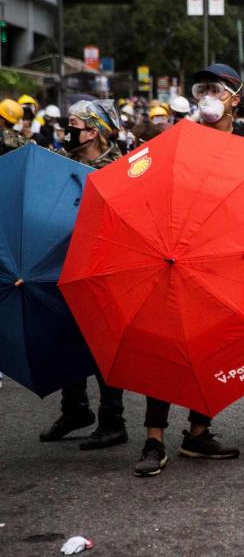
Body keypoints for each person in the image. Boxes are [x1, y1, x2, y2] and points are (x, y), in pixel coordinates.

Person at [135, 64, 243, 477]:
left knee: (214, 345)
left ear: (236, 97)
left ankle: (199, 431)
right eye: (202, 89)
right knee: (165, 346)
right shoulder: (178, 140)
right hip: (175, 255)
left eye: (217, 89)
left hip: (223, 261)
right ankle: (153, 439)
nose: (207, 96)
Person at [39, 100, 127, 451]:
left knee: (104, 343)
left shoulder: (121, 168)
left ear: (92, 131)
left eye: (73, 123)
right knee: (66, 335)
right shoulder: (64, 165)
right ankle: (75, 409)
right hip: (66, 261)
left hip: (106, 267)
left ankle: (113, 420)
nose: (67, 129)